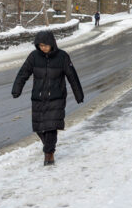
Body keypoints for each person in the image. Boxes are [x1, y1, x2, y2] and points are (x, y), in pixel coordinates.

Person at [11, 31, 84, 166]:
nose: (43, 48)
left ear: (52, 44)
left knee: (51, 126)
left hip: (56, 97)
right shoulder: (33, 57)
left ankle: (48, 154)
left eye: (45, 45)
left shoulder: (62, 56)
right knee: (39, 127)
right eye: (40, 45)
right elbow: (23, 73)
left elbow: (72, 76)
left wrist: (78, 95)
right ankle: (48, 147)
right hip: (38, 97)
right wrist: (17, 89)